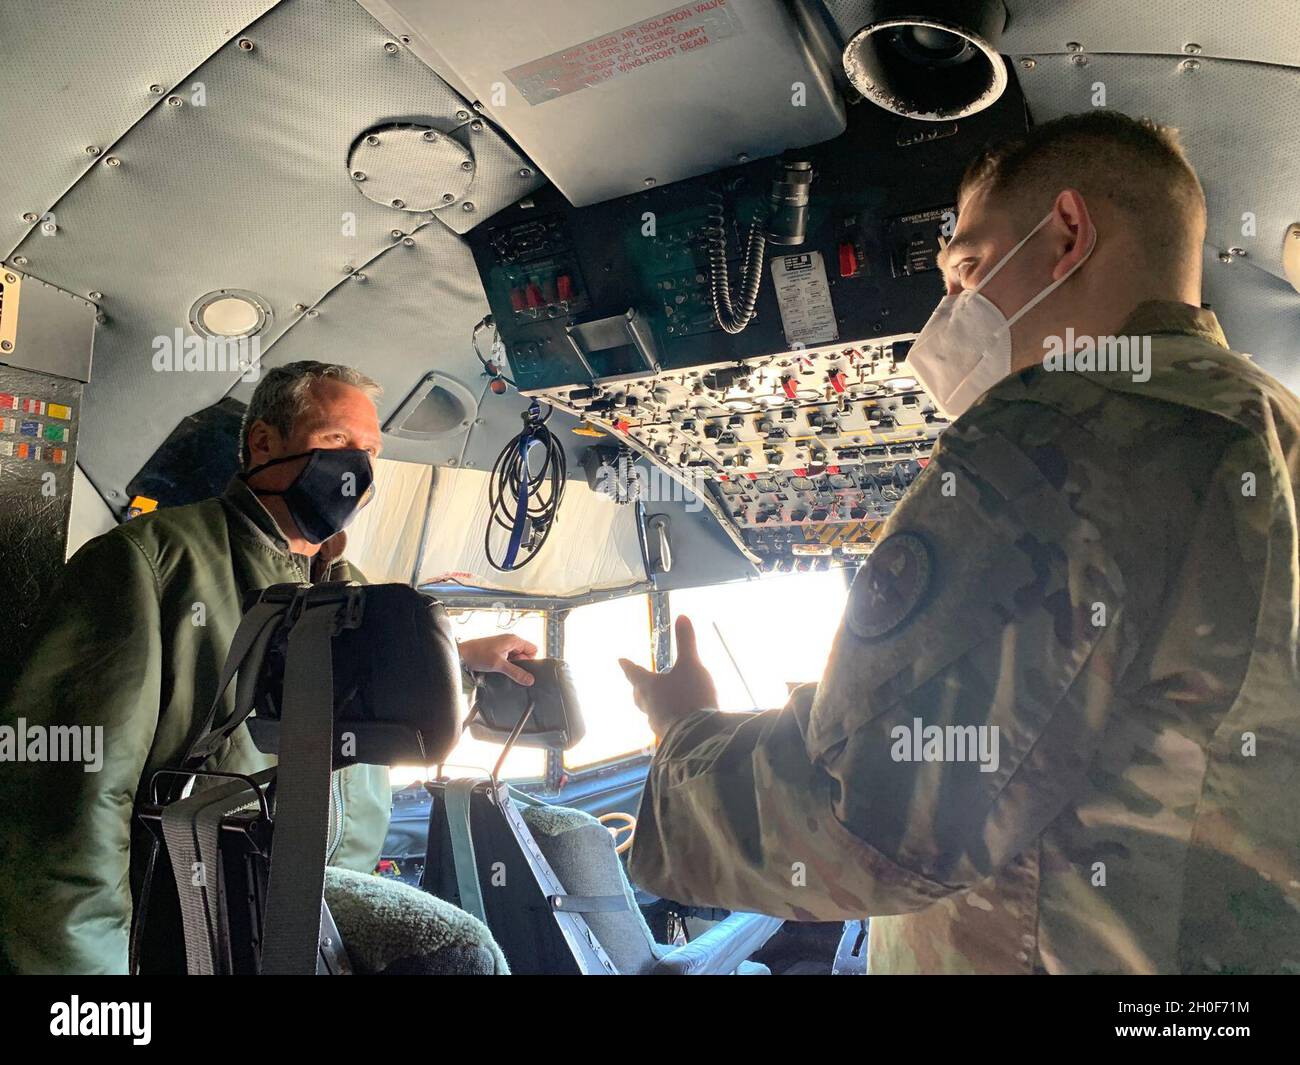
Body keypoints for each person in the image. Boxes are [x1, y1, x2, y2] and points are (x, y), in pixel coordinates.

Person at [619, 111, 1300, 974]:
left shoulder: (1058, 433)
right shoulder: (1272, 427)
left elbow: (868, 824)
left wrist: (683, 737)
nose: (949, 313)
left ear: (1067, 233)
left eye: (968, 269)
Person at [0, 360, 535, 974]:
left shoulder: (353, 591)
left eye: (370, 451)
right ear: (263, 444)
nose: (357, 468)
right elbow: (70, 799)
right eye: (337, 442)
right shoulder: (150, 564)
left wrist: (462, 665)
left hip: (319, 913)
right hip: (199, 921)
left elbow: (353, 725)